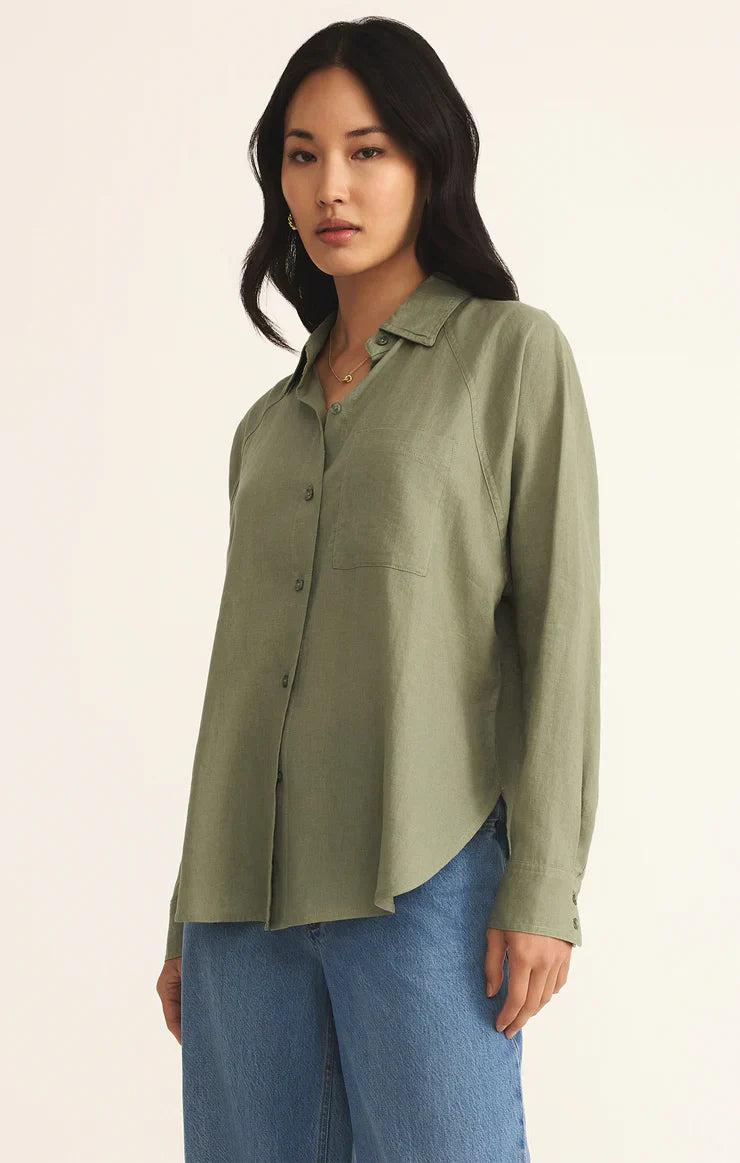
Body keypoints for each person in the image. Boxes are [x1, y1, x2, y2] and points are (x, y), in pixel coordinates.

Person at [156, 17, 600, 1162]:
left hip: (425, 880)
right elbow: (235, 680)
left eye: (366, 151)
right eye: (301, 156)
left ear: (427, 161)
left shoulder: (510, 357)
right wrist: (184, 913)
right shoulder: (265, 428)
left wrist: (542, 884)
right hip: (238, 905)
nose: (330, 187)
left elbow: (561, 635)